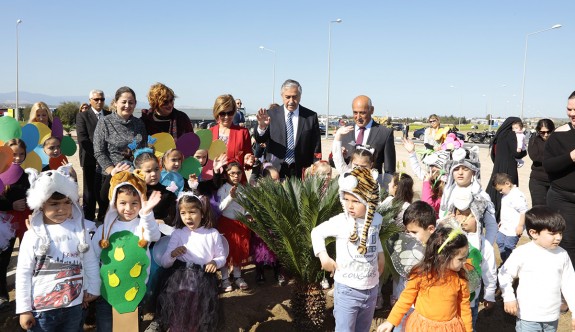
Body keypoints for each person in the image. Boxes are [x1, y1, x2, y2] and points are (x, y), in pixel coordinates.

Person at [16, 166, 100, 331]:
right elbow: (23, 272)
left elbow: (89, 261)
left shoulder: (80, 230)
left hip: (75, 306)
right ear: (41, 206)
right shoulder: (32, 235)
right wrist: (24, 309)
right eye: (54, 204)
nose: (61, 209)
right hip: (42, 310)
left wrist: (93, 288)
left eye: (67, 203)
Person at [311, 167, 384, 331]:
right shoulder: (341, 221)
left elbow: (375, 237)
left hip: (371, 289)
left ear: (369, 200)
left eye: (356, 200)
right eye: (346, 199)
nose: (350, 205)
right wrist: (324, 257)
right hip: (347, 290)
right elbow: (317, 233)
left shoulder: (377, 219)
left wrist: (380, 255)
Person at [91, 171, 161, 331]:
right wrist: (93, 286)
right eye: (123, 203)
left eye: (134, 203)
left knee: (128, 328)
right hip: (106, 292)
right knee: (106, 327)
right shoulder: (104, 230)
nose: (128, 208)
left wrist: (146, 214)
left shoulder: (143, 226)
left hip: (133, 293)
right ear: (114, 203)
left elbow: (155, 236)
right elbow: (93, 258)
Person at [377, 227, 472, 332]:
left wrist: (468, 329)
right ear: (443, 257)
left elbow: (464, 308)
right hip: (422, 327)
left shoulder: (460, 279)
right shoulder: (422, 275)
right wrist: (391, 321)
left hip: (448, 328)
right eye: (460, 259)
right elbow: (405, 299)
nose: (464, 262)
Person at [498, 206, 575, 332]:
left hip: (552, 317)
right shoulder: (522, 253)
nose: (558, 237)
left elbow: (569, 284)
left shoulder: (562, 255)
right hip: (528, 316)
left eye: (560, 233)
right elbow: (504, 274)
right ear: (533, 233)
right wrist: (509, 297)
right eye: (552, 233)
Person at [158, 193, 227, 331]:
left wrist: (214, 262)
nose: (187, 217)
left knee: (200, 313)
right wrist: (173, 254)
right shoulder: (178, 234)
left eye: (192, 212)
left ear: (202, 213)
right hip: (181, 281)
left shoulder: (212, 233)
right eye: (183, 213)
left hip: (205, 281)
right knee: (180, 312)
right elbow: (165, 262)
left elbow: (222, 257)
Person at [440, 189, 497, 329]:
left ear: (477, 218)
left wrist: (489, 293)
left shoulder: (484, 245)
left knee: (468, 325)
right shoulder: (448, 240)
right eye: (459, 214)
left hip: (470, 298)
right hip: (447, 297)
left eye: (468, 215)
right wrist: (442, 224)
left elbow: (489, 271)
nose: (462, 219)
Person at [93, 86, 147, 216]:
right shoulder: (105, 122)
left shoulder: (139, 124)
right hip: (110, 179)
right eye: (124, 102)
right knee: (109, 218)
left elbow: (144, 150)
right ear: (115, 102)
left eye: (131, 102)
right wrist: (113, 171)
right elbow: (99, 151)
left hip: (135, 178)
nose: (127, 105)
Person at [255, 79, 321, 179]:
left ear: (300, 96)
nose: (291, 101)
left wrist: (316, 166)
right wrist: (262, 127)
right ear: (282, 96)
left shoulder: (310, 116)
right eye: (287, 97)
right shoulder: (271, 114)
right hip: (275, 171)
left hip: (301, 171)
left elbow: (316, 145)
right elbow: (260, 139)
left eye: (294, 97)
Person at [385, 201, 436, 327]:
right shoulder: (409, 247)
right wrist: (398, 295)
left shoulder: (438, 254)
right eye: (407, 232)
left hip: (424, 311)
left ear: (430, 229)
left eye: (414, 232)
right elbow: (403, 273)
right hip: (406, 305)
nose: (409, 236)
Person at [334, 95, 396, 186]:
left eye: (362, 113)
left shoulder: (385, 133)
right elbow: (333, 161)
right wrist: (340, 154)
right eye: (355, 112)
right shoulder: (344, 131)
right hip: (347, 189)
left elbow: (389, 170)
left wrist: (384, 192)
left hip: (371, 191)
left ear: (372, 110)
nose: (358, 117)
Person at [439, 148, 498, 245]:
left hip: (474, 247)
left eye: (465, 169)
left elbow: (491, 225)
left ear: (474, 172)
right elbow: (442, 217)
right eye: (456, 169)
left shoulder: (481, 196)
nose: (460, 173)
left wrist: (485, 247)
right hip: (450, 246)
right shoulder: (448, 194)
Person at [544, 91, 575, 268]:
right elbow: (548, 166)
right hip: (563, 199)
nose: (571, 114)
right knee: (567, 244)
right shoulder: (559, 135)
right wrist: (570, 157)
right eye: (569, 109)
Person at [0, 139, 30, 309]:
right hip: (6, 224)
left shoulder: (27, 175)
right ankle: (3, 294)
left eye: (21, 154)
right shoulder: (0, 175)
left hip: (25, 222)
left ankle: (25, 292)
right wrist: (10, 205)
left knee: (27, 259)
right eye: (14, 154)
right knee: (4, 260)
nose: (17, 158)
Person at [76, 89, 111, 222]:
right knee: (89, 191)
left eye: (102, 99)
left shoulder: (109, 115)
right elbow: (83, 139)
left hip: (108, 161)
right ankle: (89, 219)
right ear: (90, 100)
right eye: (96, 99)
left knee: (105, 190)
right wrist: (98, 156)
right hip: (90, 160)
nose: (99, 102)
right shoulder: (83, 116)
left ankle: (103, 217)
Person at [217, 162, 251, 291]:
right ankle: (225, 278)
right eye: (232, 173)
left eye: (238, 173)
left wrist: (248, 215)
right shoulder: (223, 189)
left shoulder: (243, 188)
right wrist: (230, 197)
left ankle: (237, 276)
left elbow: (247, 206)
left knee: (239, 251)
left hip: (241, 224)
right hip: (227, 224)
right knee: (226, 251)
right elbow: (219, 208)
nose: (236, 176)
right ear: (227, 175)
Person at [486, 117, 527, 219]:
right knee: (508, 190)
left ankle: (490, 215)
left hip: (498, 166)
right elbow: (517, 153)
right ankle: (502, 217)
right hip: (509, 167)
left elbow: (493, 154)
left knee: (496, 189)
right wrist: (524, 152)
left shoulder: (499, 135)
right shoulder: (511, 135)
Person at [210, 94, 254, 178]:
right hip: (214, 183)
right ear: (217, 113)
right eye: (222, 113)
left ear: (234, 112)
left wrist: (248, 160)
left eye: (229, 113)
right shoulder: (209, 133)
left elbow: (248, 158)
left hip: (237, 182)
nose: (226, 117)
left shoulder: (243, 132)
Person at [492, 173, 528, 264]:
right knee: (499, 241)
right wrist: (501, 221)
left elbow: (523, 211)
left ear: (507, 183)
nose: (500, 192)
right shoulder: (506, 194)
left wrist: (520, 225)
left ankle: (508, 264)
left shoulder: (516, 195)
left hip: (514, 228)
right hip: (504, 226)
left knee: (509, 246)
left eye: (501, 190)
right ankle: (505, 261)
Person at [528, 119, 555, 206]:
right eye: (542, 132)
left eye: (548, 132)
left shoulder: (557, 140)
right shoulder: (534, 140)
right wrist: (554, 159)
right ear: (538, 131)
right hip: (538, 180)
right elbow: (535, 157)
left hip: (555, 181)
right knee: (539, 210)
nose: (546, 135)